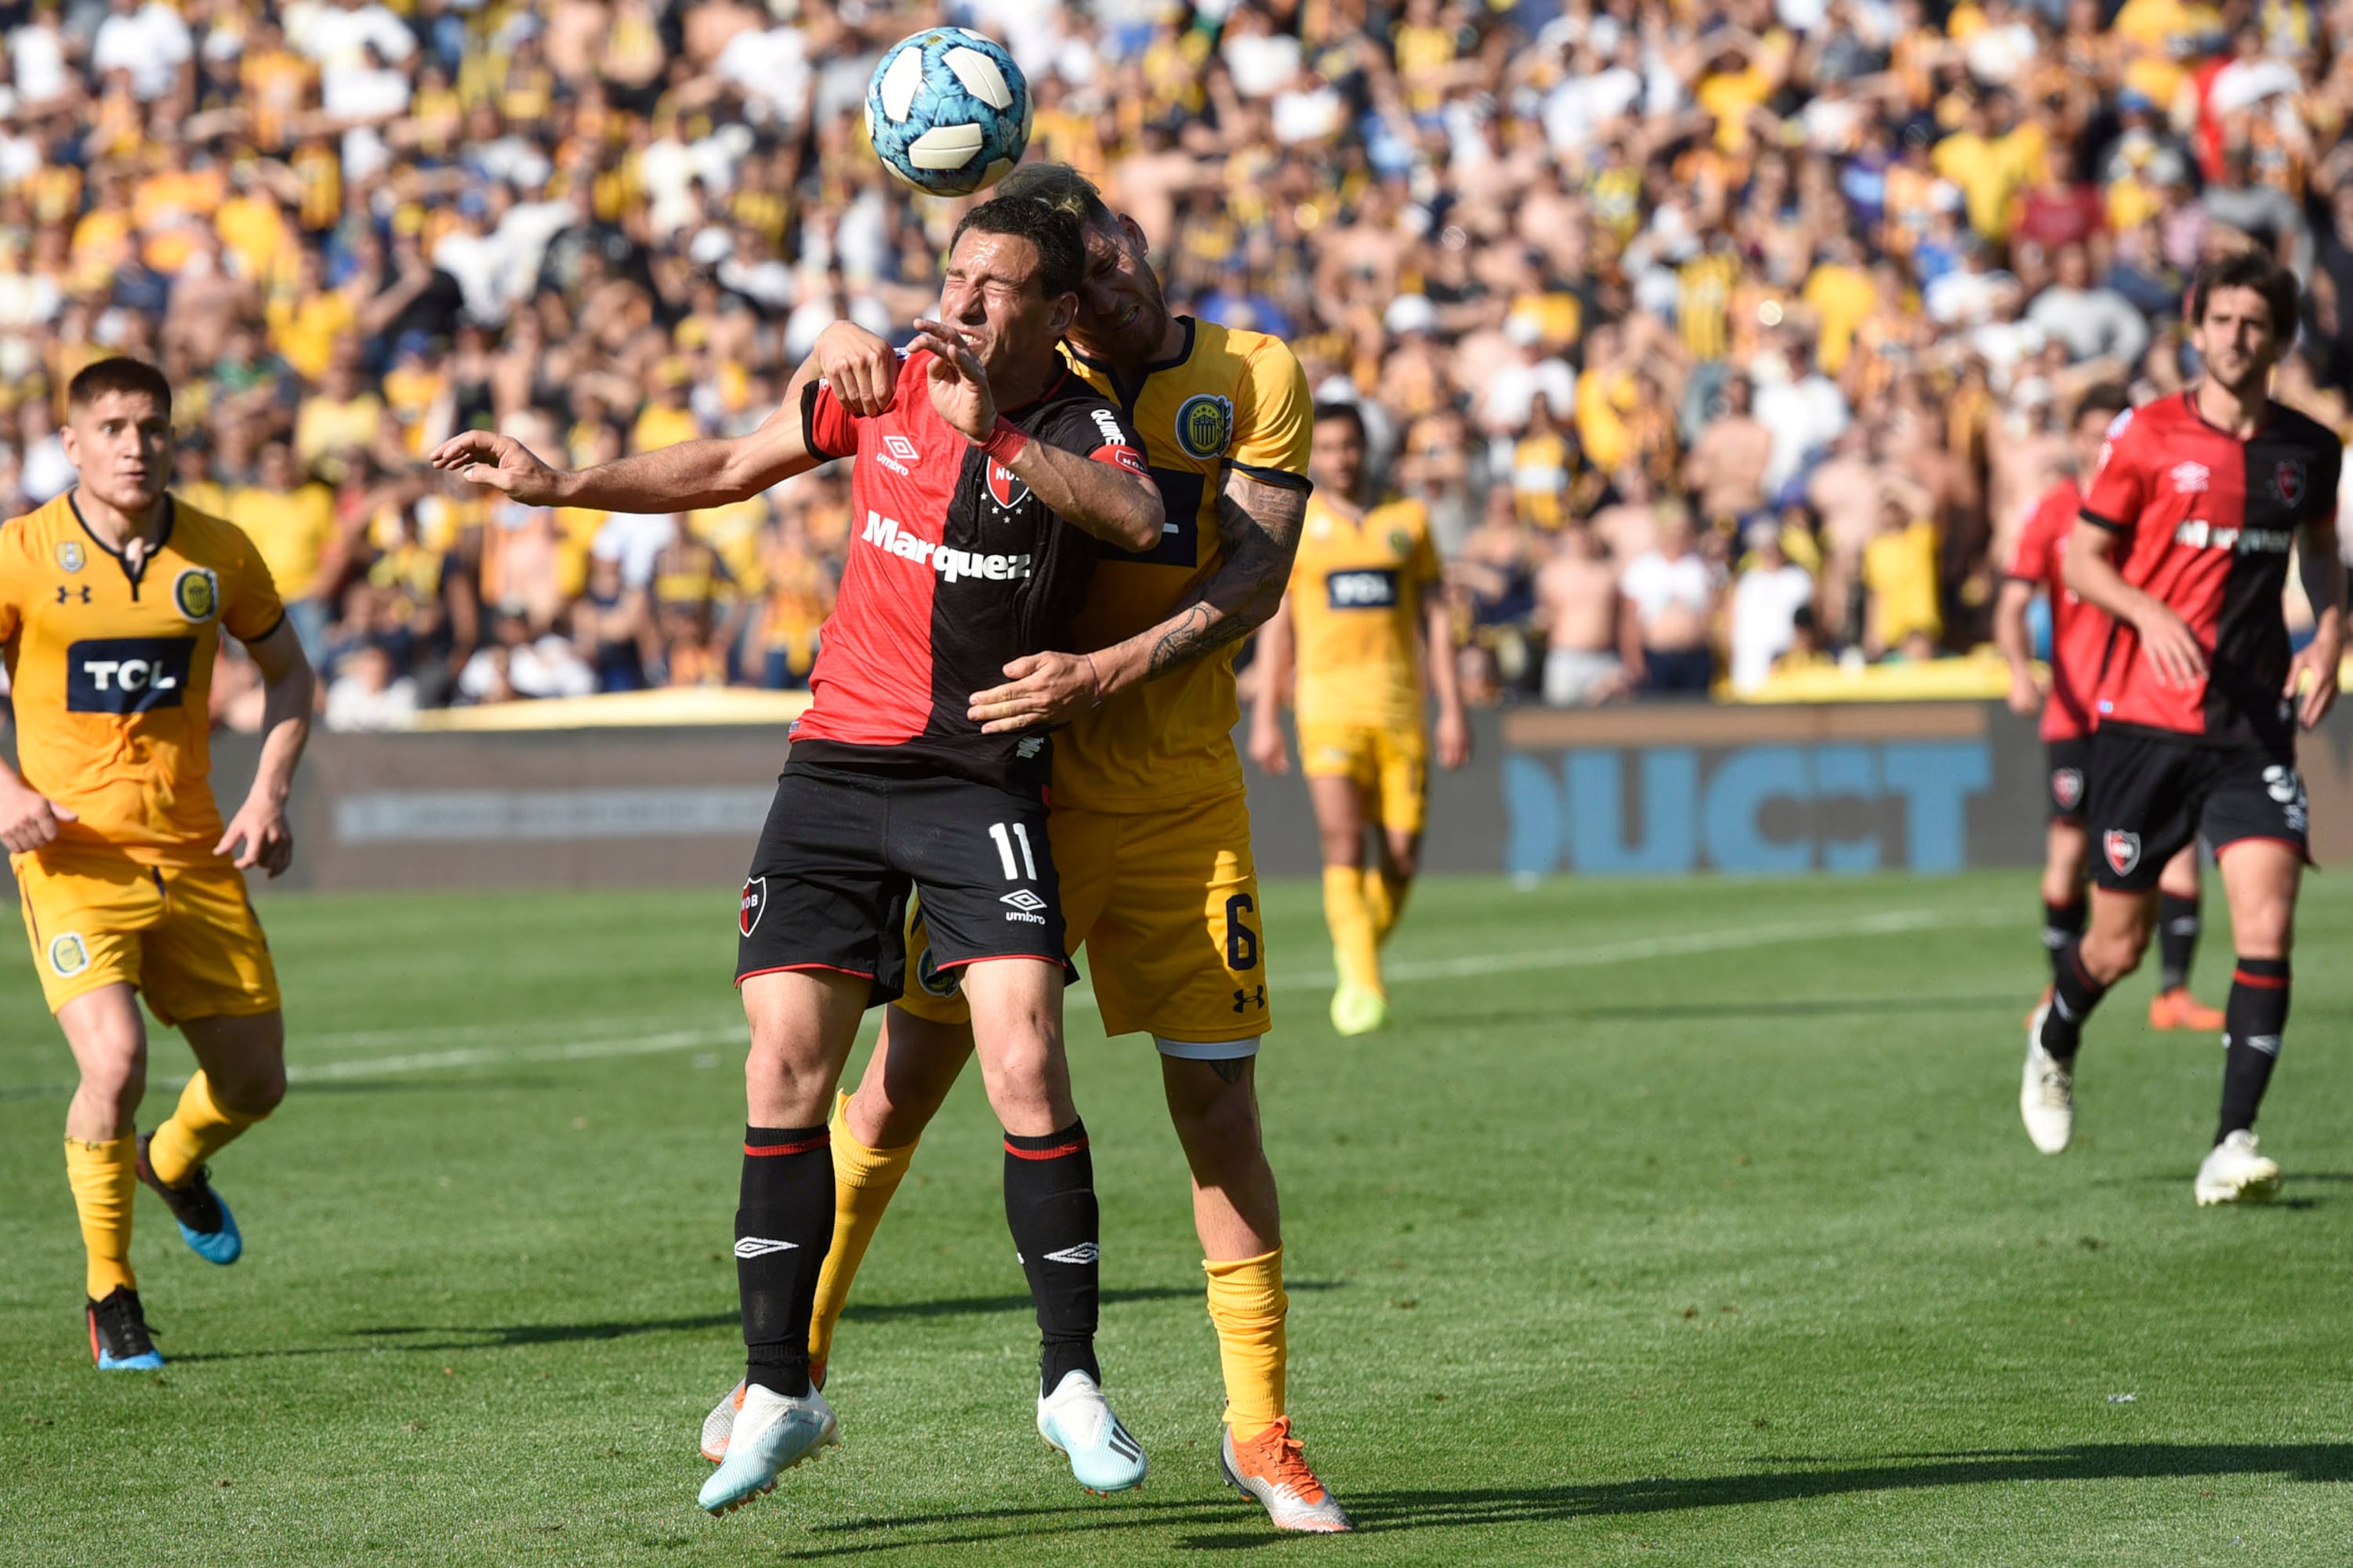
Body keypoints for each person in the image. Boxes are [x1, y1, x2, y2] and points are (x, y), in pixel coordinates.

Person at [430, 197, 1166, 1512]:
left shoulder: (1069, 418)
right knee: (783, 1063)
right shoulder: (880, 376)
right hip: (833, 770)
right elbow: (725, 466)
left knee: (1024, 1056)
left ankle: (1069, 1380)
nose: (969, 302)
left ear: (1057, 315)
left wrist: (990, 433)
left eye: (998, 287)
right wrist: (562, 482)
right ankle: (780, 1386)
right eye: (957, 276)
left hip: (972, 776)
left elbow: (1132, 516)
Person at [759, 163, 1353, 1534]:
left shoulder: (1253, 371)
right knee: (900, 1086)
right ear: (1060, 301)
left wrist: (1112, 670)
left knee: (1217, 1113)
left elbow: (1251, 574)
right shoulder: (1021, 381)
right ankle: (787, 1375)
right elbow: (865, 381)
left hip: (1182, 796)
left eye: (1120, 244)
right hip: (1018, 794)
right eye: (1084, 269)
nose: (1113, 276)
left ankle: (1260, 1434)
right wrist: (831, 322)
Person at [0, 357, 315, 1371]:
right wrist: (8, 790)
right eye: (113, 427)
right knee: (117, 1061)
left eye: (152, 426)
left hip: (195, 851)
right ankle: (110, 1290)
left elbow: (289, 671)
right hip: (75, 857)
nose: (135, 445)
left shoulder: (218, 551)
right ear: (72, 444)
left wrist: (268, 791)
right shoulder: (20, 554)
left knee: (257, 1084)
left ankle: (170, 1159)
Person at [2021, 252, 2344, 1206]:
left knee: (2267, 923)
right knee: (2115, 944)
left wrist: (2328, 632)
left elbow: (2322, 556)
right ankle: (2056, 1033)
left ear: (2279, 338)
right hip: (2146, 725)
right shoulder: (2148, 439)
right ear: (2195, 329)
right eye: (2220, 321)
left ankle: (2230, 1141)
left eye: (2254, 324)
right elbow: (2081, 561)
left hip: (2249, 726)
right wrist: (2144, 611)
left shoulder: (2308, 450)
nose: (2235, 339)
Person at [1995, 384, 2225, 1035]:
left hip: (2150, 704)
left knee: (2178, 845)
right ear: (2072, 440)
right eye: (2091, 434)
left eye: (2112, 433)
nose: (2102, 446)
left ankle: (2173, 993)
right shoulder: (2053, 513)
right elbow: (2012, 603)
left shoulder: (2157, 505)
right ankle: (2060, 985)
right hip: (2075, 713)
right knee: (2067, 850)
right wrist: (2018, 669)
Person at [1246, 400, 1470, 1035]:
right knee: (1344, 842)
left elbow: (1435, 621)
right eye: (1331, 447)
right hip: (1326, 707)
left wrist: (1453, 708)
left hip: (1402, 708)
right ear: (1316, 453)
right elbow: (1279, 627)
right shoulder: (1301, 523)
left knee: (1399, 858)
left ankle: (1355, 948)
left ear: (1364, 449)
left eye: (1351, 446)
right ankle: (1362, 983)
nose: (1342, 458)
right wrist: (1265, 715)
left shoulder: (1408, 520)